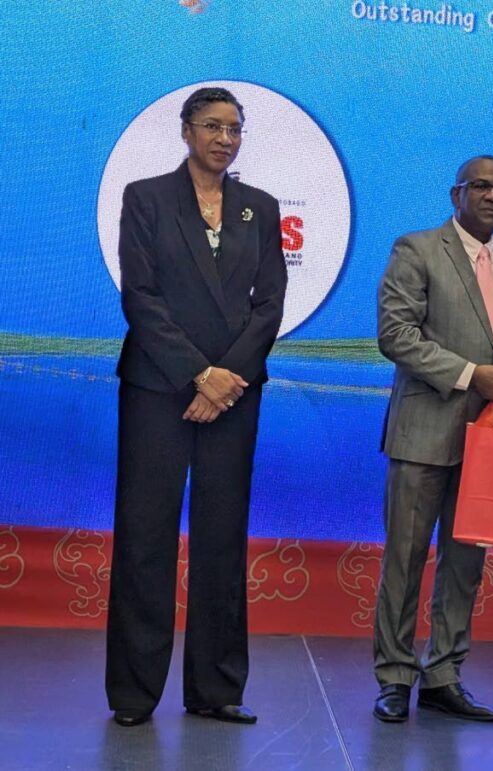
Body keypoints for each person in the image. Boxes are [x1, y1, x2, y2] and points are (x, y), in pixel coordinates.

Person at [105, 87, 287, 727]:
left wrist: (228, 378)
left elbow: (270, 305)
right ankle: (133, 693)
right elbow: (142, 298)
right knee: (145, 539)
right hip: (160, 388)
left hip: (234, 396)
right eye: (212, 125)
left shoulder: (259, 210)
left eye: (235, 128)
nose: (224, 137)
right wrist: (198, 375)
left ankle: (215, 689)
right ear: (185, 131)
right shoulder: (146, 198)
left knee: (220, 539)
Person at [373, 155, 493, 723]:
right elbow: (396, 335)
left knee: (465, 563)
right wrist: (472, 374)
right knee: (405, 559)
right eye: (481, 187)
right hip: (424, 430)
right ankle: (395, 676)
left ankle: (443, 672)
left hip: (488, 441)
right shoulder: (416, 249)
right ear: (456, 194)